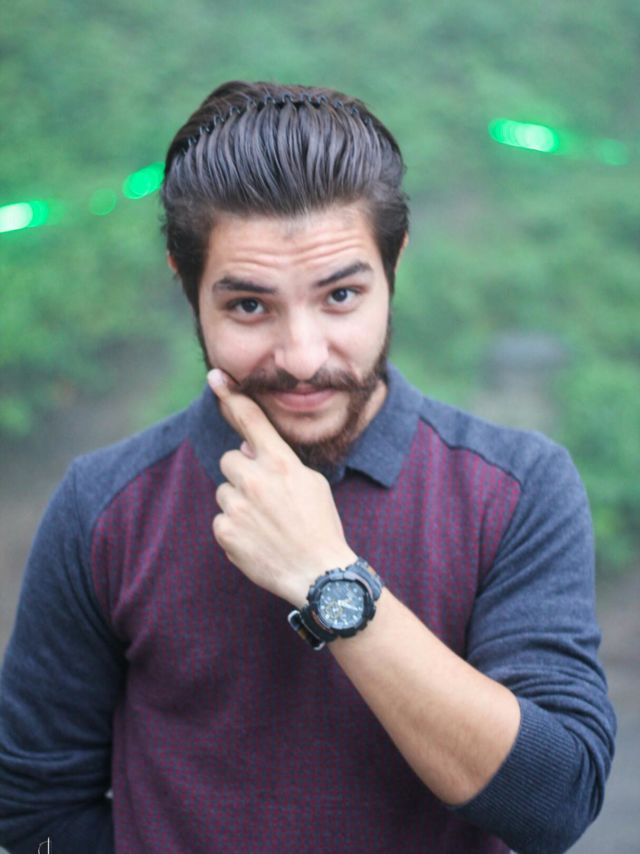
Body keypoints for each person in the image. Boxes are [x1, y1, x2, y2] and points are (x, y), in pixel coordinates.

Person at [0, 81, 615, 854]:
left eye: (341, 295)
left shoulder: (515, 490)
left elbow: (558, 803)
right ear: (186, 285)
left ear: (394, 265)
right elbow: (34, 806)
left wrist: (330, 579)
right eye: (249, 306)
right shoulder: (104, 507)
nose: (300, 356)